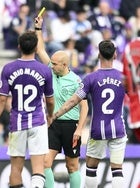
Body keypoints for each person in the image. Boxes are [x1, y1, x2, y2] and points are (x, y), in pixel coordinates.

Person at [51, 39, 128, 188]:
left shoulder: (90, 79)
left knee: (91, 168)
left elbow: (73, 101)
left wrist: (54, 115)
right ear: (115, 55)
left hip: (98, 130)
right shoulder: (123, 78)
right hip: (118, 128)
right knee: (117, 170)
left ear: (98, 55)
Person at [0, 30, 55, 188]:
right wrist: (50, 115)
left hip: (17, 123)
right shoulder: (45, 70)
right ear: (36, 47)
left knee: (16, 168)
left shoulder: (8, 68)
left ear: (19, 46)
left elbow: (2, 99)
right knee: (38, 168)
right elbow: (50, 100)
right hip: (38, 122)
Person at [35, 16, 89, 188]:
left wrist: (80, 129)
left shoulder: (76, 80)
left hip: (71, 125)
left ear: (65, 65)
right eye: (51, 63)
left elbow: (84, 105)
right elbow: (40, 50)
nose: (51, 66)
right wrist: (38, 29)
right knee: (45, 162)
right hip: (52, 123)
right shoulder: (51, 71)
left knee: (72, 166)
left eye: (55, 64)